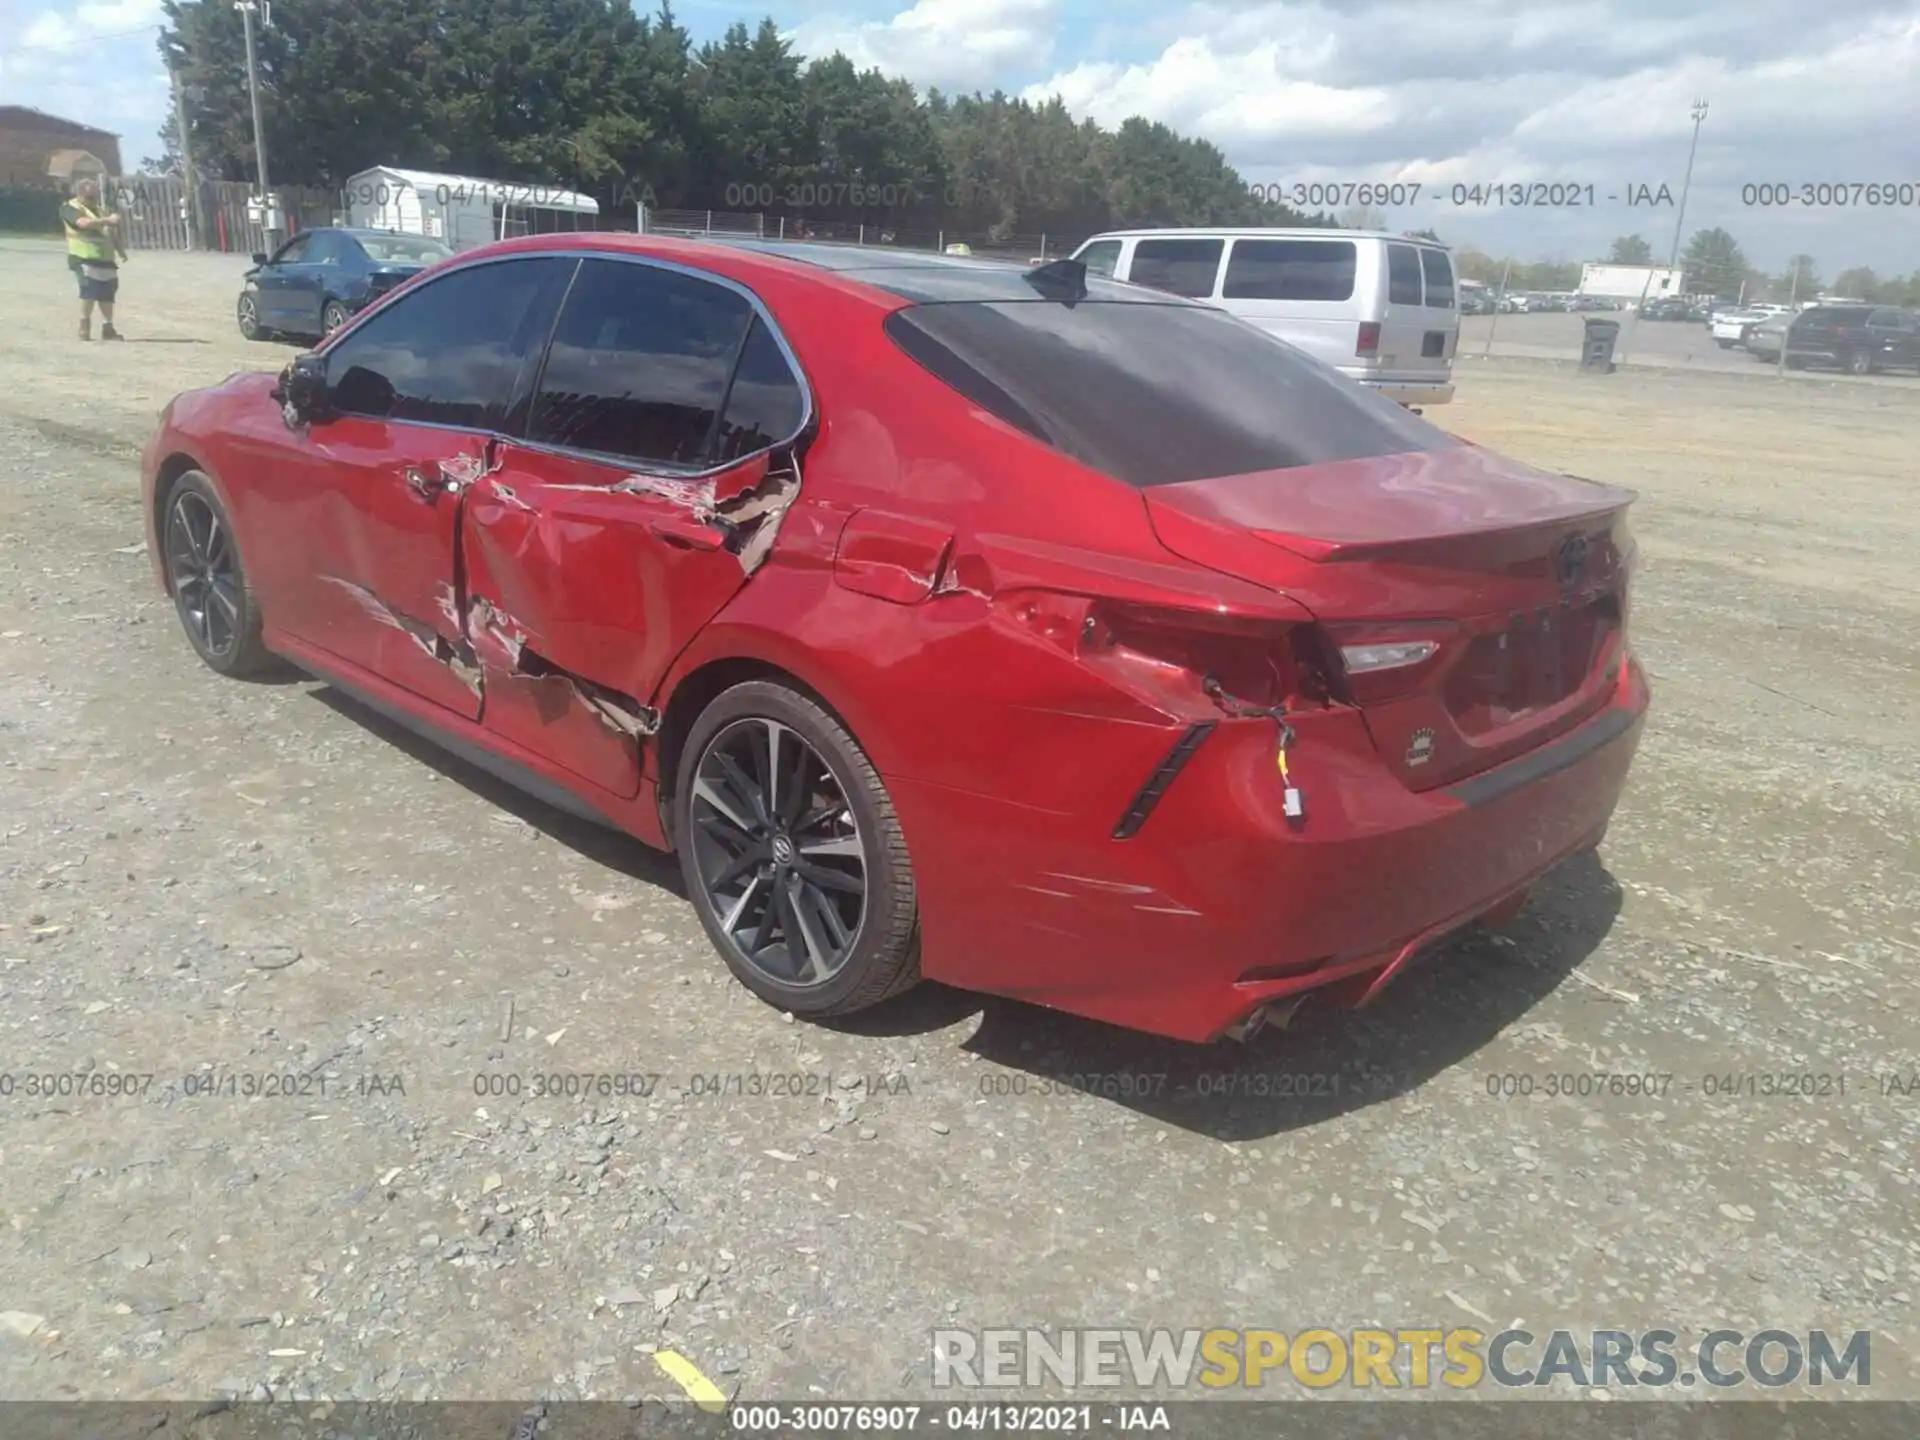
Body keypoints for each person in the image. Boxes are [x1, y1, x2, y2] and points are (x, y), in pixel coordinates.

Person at [62, 177, 125, 341]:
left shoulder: (99, 209)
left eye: (95, 196)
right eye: (90, 197)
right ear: (80, 194)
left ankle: (108, 327)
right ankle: (85, 324)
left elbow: (108, 232)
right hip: (83, 256)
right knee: (89, 291)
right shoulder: (69, 207)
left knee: (107, 292)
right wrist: (107, 220)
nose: (94, 200)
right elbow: (82, 223)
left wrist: (119, 249)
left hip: (105, 258)